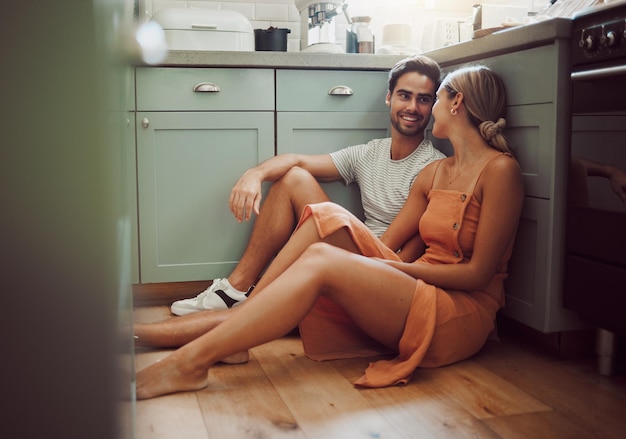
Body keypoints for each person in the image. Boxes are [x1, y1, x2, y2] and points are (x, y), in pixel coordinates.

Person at [135, 64, 525, 400]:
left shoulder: (500, 171)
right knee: (319, 213)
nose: (425, 107)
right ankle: (191, 335)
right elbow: (383, 246)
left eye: (433, 98)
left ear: (455, 104)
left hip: (457, 313)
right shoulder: (435, 173)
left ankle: (191, 356)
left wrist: (394, 272)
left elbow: (476, 275)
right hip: (411, 286)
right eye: (408, 96)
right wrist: (370, 267)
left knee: (322, 247)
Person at [169, 55, 446, 315]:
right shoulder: (370, 153)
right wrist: (255, 174)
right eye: (404, 96)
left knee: (321, 213)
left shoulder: (434, 167)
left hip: (386, 268)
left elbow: (412, 251)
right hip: (358, 251)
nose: (412, 107)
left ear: (434, 105)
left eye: (423, 99)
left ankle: (249, 306)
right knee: (294, 176)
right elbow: (296, 160)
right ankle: (237, 289)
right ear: (389, 98)